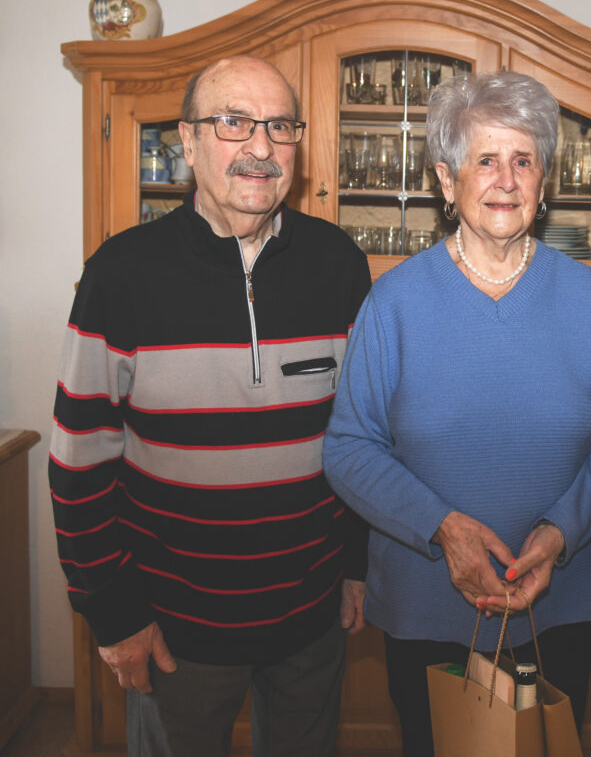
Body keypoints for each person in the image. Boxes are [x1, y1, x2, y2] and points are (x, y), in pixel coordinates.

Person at [48, 55, 371, 757]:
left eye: (280, 126)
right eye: (233, 123)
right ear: (187, 143)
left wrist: (354, 566)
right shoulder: (120, 275)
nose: (260, 147)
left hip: (310, 619)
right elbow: (79, 466)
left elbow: (360, 440)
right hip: (173, 631)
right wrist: (114, 615)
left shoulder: (339, 264)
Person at [324, 70, 591, 756]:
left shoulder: (586, 297)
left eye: (523, 160)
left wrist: (558, 537)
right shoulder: (395, 303)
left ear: (544, 181)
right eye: (485, 160)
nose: (506, 179)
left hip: (557, 600)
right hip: (428, 604)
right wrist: (444, 530)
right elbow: (349, 449)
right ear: (447, 181)